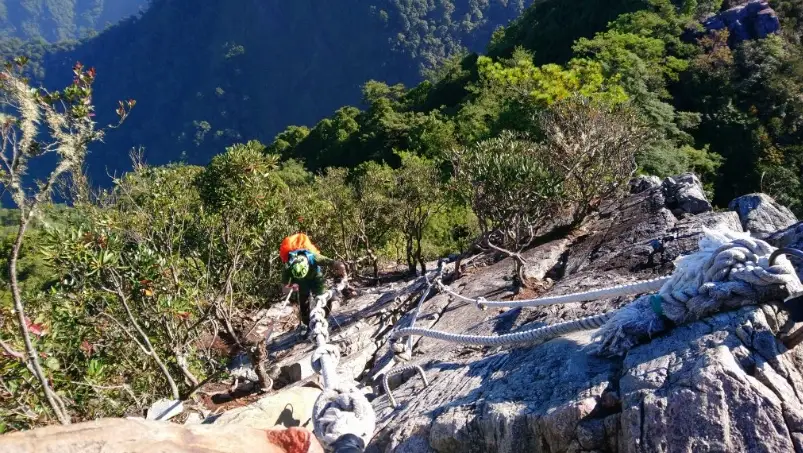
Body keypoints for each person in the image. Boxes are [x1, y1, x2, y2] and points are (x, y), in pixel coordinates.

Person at [280, 233, 347, 332]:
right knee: (304, 305)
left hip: (315, 277)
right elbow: (284, 289)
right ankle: (309, 325)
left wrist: (340, 266)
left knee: (323, 298)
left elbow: (329, 261)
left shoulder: (313, 257)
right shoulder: (288, 267)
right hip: (300, 283)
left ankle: (325, 317)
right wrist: (292, 288)